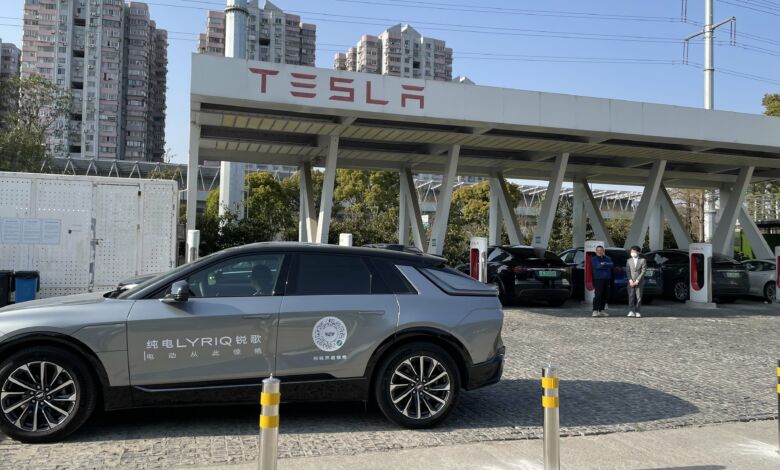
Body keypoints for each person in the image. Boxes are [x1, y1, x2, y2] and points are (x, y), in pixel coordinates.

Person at [590, 245, 613, 317]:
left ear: (603, 251)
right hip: (598, 279)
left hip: (607, 278)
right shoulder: (594, 259)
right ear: (596, 251)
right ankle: (595, 310)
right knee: (598, 295)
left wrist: (604, 264)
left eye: (601, 250)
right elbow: (597, 266)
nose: (599, 252)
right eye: (598, 250)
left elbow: (611, 265)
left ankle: (601, 310)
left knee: (605, 295)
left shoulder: (608, 258)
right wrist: (605, 265)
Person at [626, 245, 646, 318]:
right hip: (630, 281)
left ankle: (638, 311)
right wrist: (630, 280)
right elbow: (628, 271)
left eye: (634, 251)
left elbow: (643, 271)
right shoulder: (629, 260)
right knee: (631, 296)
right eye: (631, 252)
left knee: (638, 297)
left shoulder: (642, 260)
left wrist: (637, 280)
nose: (632, 253)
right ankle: (631, 311)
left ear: (638, 252)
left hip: (639, 281)